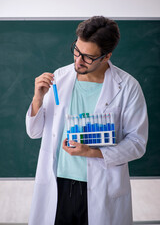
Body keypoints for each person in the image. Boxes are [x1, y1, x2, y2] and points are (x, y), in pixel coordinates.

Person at [26, 16, 148, 225]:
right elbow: (35, 132)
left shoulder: (127, 87)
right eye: (76, 51)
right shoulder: (59, 78)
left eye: (88, 57)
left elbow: (137, 144)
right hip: (58, 183)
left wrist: (92, 152)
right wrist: (38, 97)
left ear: (107, 56)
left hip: (101, 186)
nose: (78, 61)